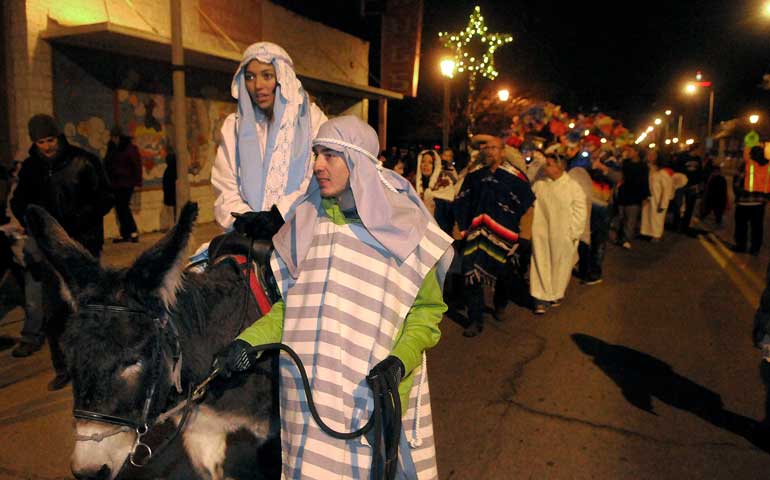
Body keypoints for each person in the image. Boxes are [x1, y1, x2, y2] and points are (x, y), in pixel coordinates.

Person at [214, 116, 453, 479]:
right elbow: (293, 312)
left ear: (356, 161)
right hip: (309, 401)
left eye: (329, 155)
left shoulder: (406, 230)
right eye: (315, 154)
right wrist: (247, 341)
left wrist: (400, 361)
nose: (317, 165)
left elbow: (426, 314)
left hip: (370, 398)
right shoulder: (307, 224)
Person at [10, 114, 113, 390]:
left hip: (82, 248)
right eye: (41, 141)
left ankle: (95, 364)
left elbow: (105, 197)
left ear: (59, 137)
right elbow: (19, 201)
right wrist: (35, 224)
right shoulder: (31, 169)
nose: (46, 146)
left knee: (85, 307)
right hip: (49, 253)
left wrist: (80, 221)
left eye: (50, 139)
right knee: (54, 312)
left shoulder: (84, 161)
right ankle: (63, 367)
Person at [211, 41, 327, 235]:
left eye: (267, 75)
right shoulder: (234, 126)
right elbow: (224, 182)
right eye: (250, 77)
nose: (258, 86)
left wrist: (279, 215)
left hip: (300, 231)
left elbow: (317, 177)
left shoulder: (313, 121)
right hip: (248, 235)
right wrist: (244, 218)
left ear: (283, 78)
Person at [454, 134, 535, 336]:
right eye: (487, 148)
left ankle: (500, 304)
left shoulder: (515, 178)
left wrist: (523, 235)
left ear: (503, 151)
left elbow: (527, 204)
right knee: (470, 274)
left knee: (504, 276)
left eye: (494, 147)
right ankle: (475, 319)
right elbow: (462, 200)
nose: (490, 151)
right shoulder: (474, 176)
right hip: (476, 234)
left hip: (505, 237)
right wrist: (461, 228)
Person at [529, 149, 587, 314]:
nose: (545, 168)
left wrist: (573, 233)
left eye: (549, 164)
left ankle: (555, 293)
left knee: (559, 266)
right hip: (541, 233)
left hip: (563, 235)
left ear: (559, 167)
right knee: (540, 263)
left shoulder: (573, 187)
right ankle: (540, 298)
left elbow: (580, 211)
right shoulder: (540, 185)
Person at [104, 125, 142, 243]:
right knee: (120, 209)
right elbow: (107, 163)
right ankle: (126, 233)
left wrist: (137, 182)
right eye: (112, 137)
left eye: (115, 137)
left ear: (120, 137)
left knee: (124, 207)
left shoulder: (129, 148)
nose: (113, 140)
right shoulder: (111, 148)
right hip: (115, 183)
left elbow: (136, 165)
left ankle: (133, 231)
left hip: (126, 183)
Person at [733, 145, 769, 254]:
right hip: (760, 202)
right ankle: (755, 249)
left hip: (744, 201)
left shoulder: (747, 164)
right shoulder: (768, 165)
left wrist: (738, 195)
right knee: (757, 227)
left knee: (741, 226)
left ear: (751, 154)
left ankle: (741, 246)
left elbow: (737, 182)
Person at [615, 146, 650, 249]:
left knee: (631, 220)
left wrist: (645, 196)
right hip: (623, 194)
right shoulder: (625, 163)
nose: (628, 152)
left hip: (635, 196)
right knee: (621, 217)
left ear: (637, 152)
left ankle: (626, 239)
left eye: (630, 150)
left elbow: (645, 182)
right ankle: (619, 237)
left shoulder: (643, 166)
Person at [640, 149, 674, 242]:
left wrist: (663, 204)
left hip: (658, 199)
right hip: (648, 197)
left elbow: (667, 189)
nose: (650, 157)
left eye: (653, 155)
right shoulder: (648, 169)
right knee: (648, 216)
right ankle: (647, 232)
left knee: (657, 218)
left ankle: (657, 235)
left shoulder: (663, 172)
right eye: (649, 154)